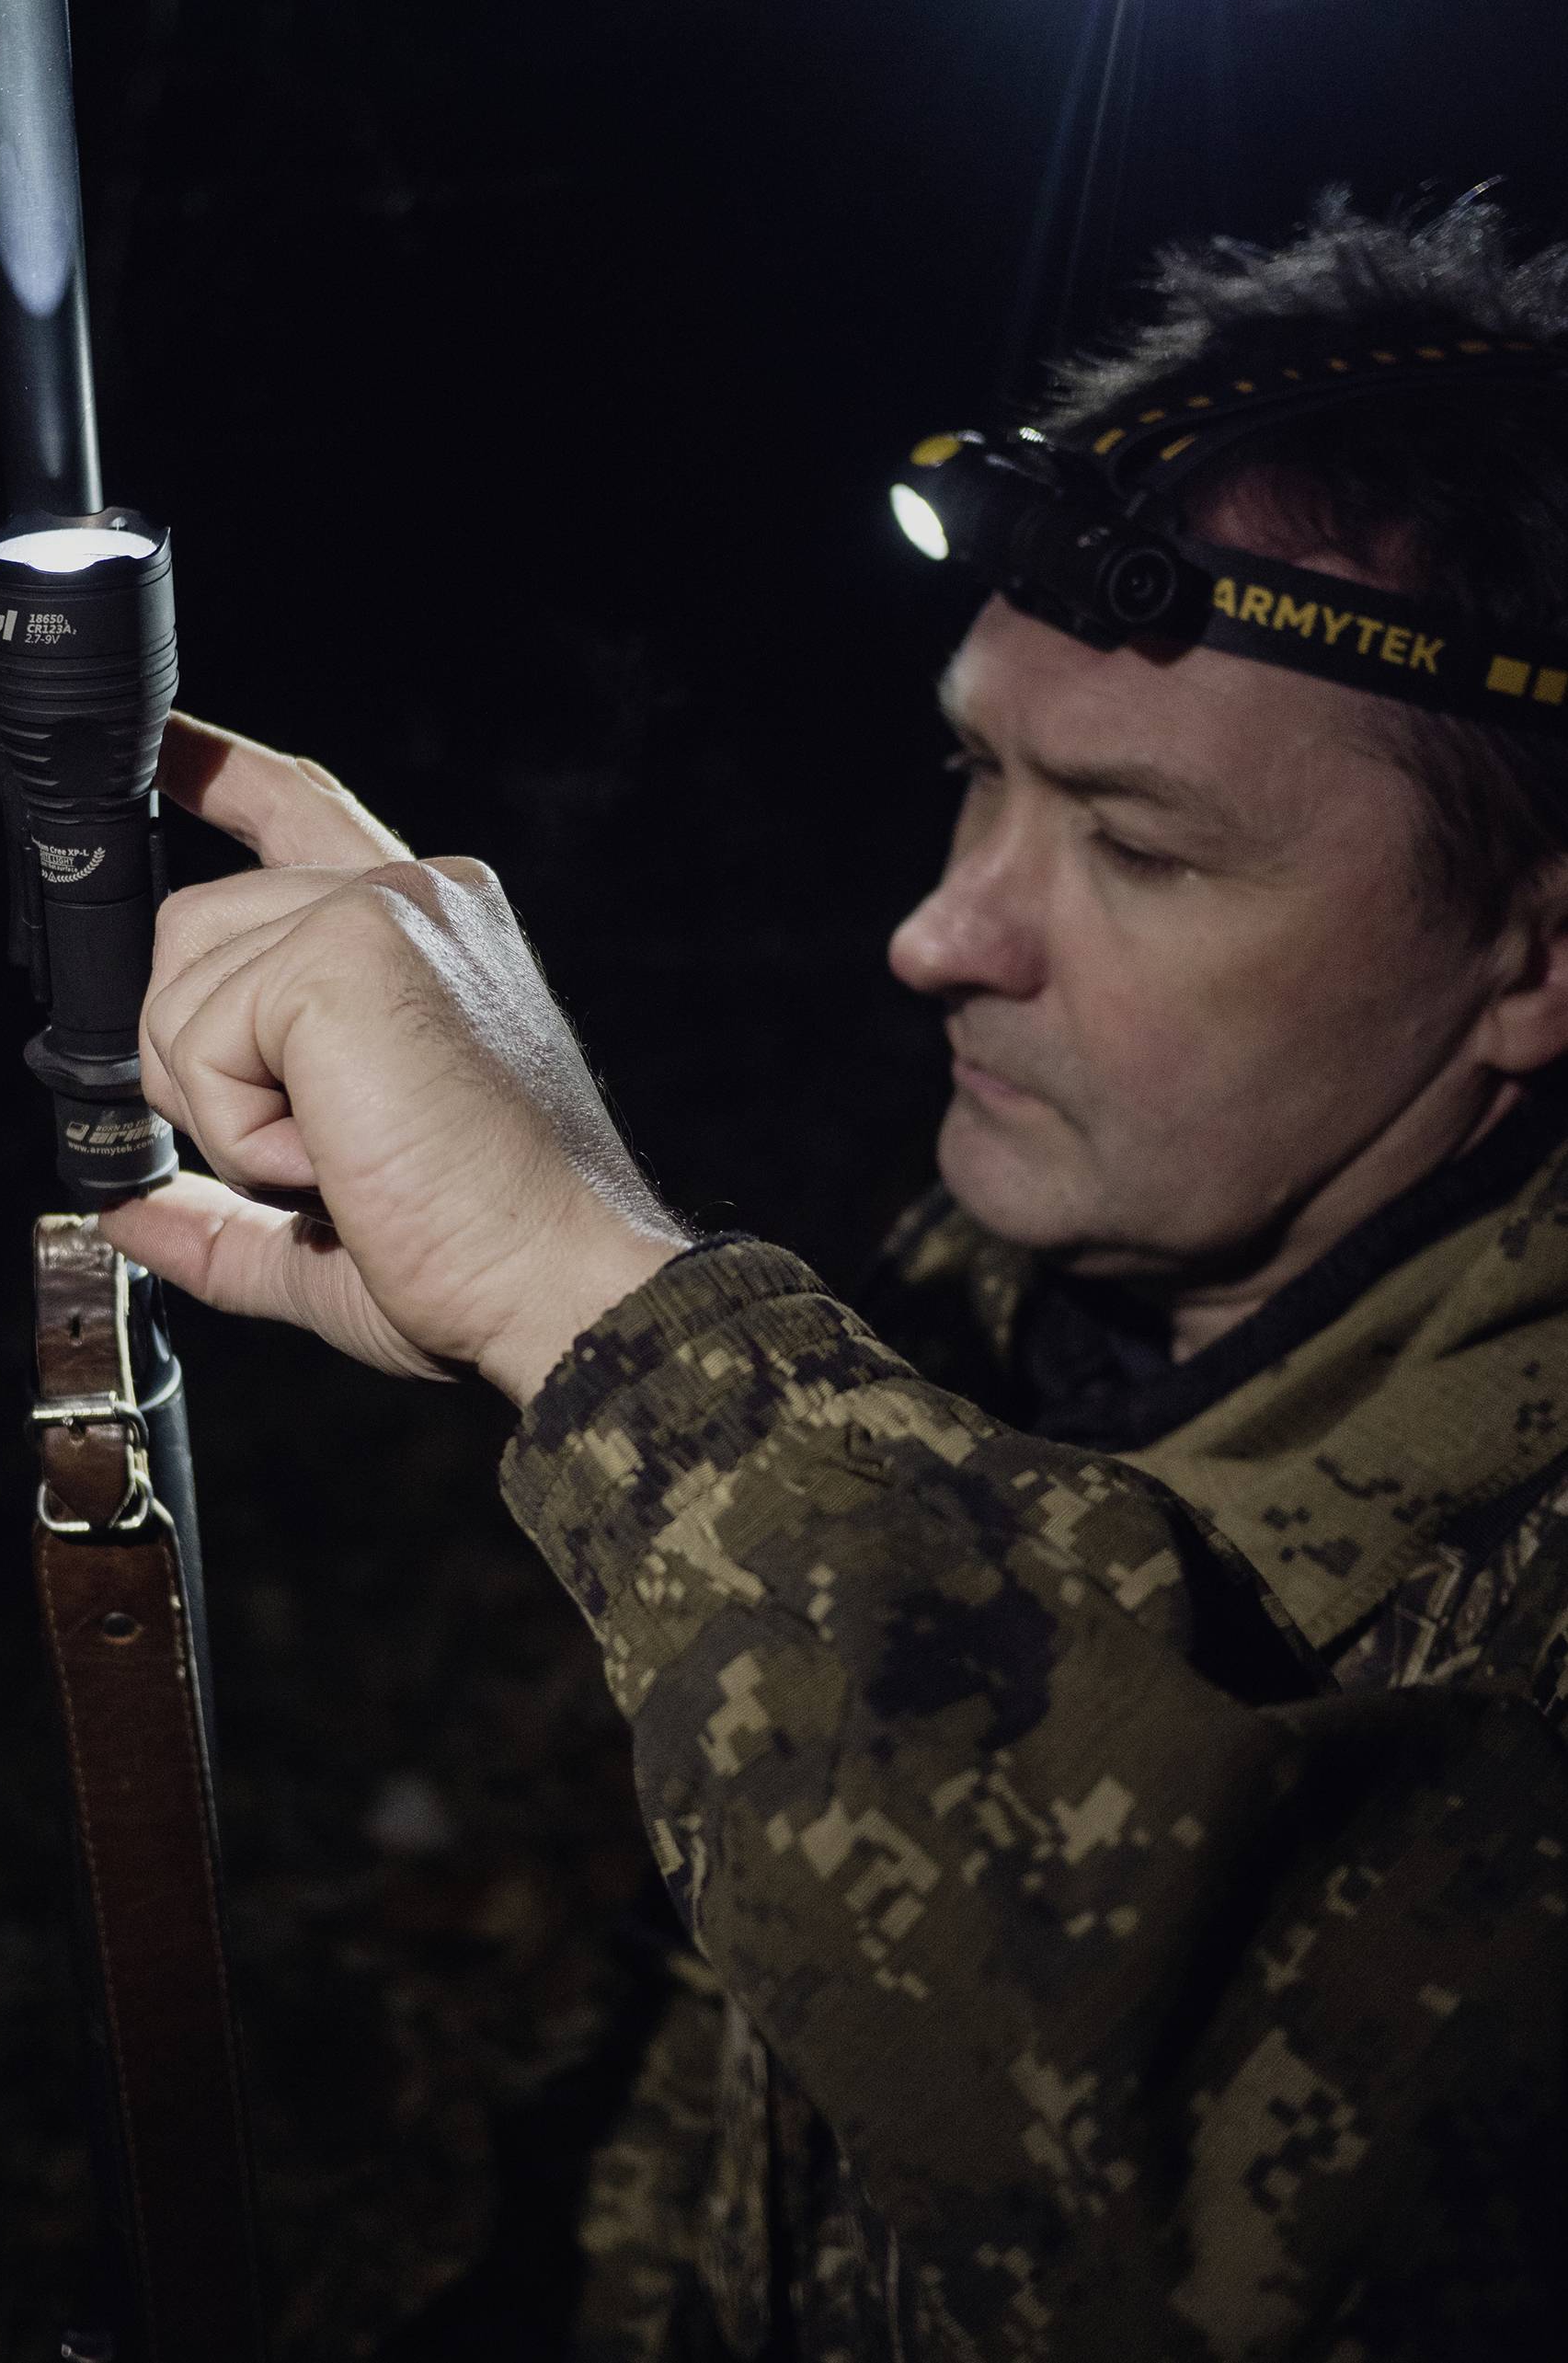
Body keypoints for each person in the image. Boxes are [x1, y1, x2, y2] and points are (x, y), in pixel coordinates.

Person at [104, 197, 1568, 2360]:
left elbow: (1240, 2218)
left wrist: (591, 1301)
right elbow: (749, 2087)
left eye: (1142, 849)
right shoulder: (995, 1295)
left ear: (1535, 952)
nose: (939, 932)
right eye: (977, 771)